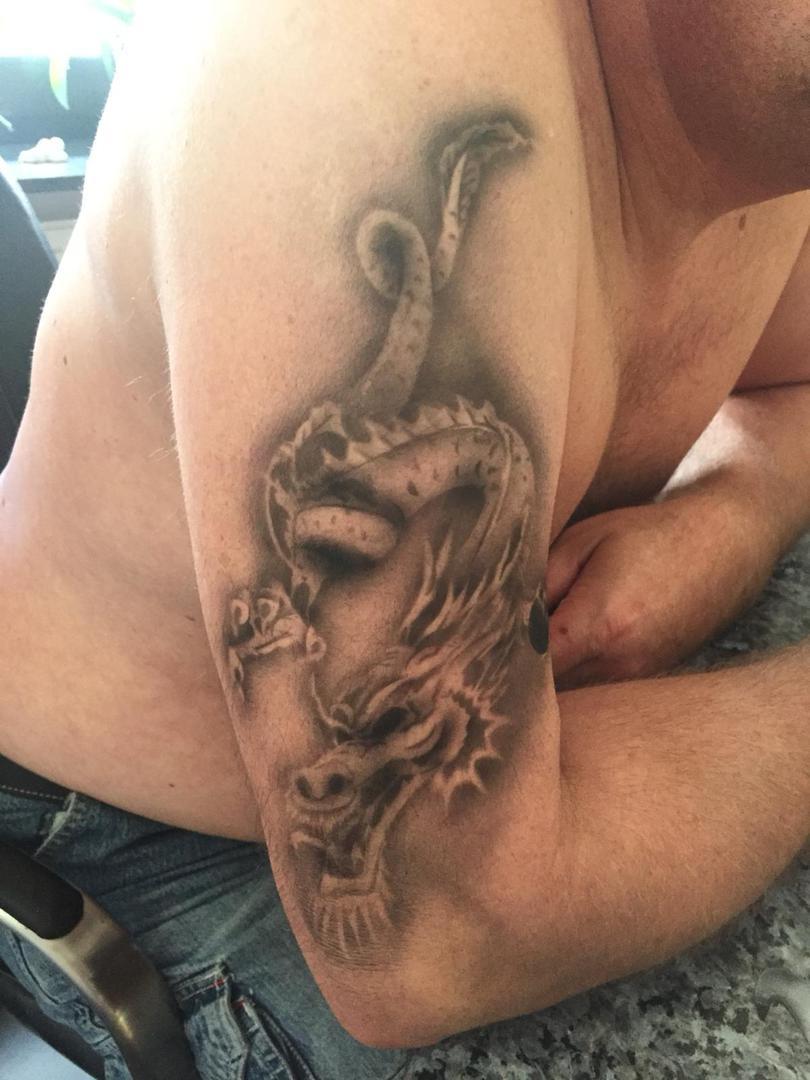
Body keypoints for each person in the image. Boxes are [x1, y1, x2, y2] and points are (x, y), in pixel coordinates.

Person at [1, 1, 808, 1076]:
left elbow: (792, 384)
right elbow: (432, 937)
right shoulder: (367, 53)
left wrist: (728, 517)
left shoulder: (766, 141)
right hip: (129, 846)